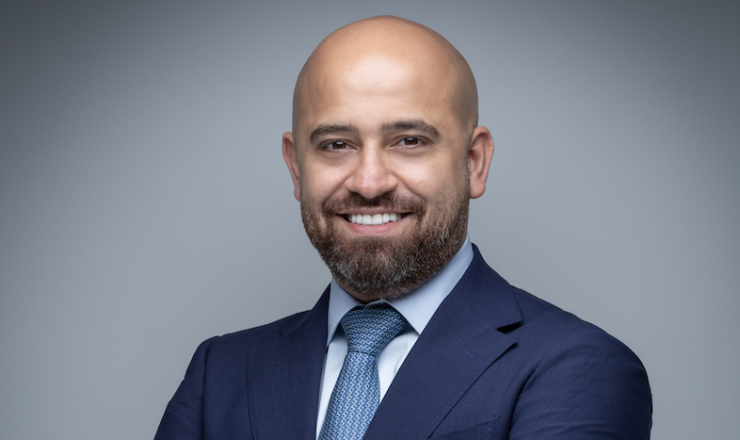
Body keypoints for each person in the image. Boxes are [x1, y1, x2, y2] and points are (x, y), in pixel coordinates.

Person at [154, 16, 652, 440]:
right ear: (295, 167)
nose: (369, 183)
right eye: (336, 144)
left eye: (409, 140)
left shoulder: (575, 366)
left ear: (474, 163)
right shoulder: (219, 372)